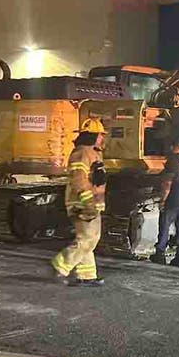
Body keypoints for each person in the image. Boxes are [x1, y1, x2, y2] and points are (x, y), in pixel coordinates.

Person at [50, 118, 107, 287]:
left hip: (92, 203)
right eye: (100, 135)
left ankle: (87, 276)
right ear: (93, 136)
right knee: (86, 240)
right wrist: (87, 202)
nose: (102, 138)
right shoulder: (81, 154)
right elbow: (79, 180)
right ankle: (60, 266)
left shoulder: (92, 153)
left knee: (90, 240)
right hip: (83, 204)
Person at [149, 138, 179, 268]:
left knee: (164, 225)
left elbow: (167, 182)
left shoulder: (172, 161)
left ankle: (160, 254)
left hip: (173, 198)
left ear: (173, 147)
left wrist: (163, 200)